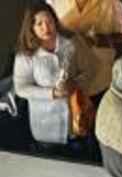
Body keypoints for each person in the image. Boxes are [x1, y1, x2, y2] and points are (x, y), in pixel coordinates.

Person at [13, 2, 93, 145]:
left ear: (55, 21)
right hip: (45, 125)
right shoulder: (25, 55)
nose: (46, 27)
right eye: (39, 24)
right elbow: (21, 88)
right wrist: (52, 94)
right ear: (31, 28)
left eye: (49, 21)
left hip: (75, 119)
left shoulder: (72, 43)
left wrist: (76, 83)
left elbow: (90, 70)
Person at [47, 0, 122, 97]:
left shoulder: (111, 3)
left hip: (100, 78)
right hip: (64, 78)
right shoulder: (54, 2)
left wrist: (106, 39)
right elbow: (39, 23)